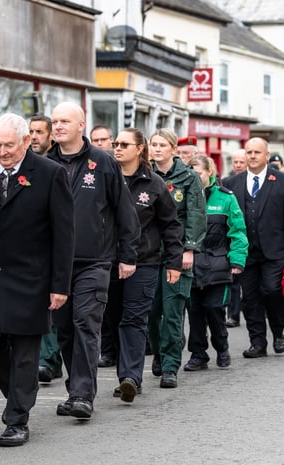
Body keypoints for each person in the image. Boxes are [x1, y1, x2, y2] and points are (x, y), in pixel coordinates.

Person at [0, 113, 74, 446]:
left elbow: (64, 235)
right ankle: (21, 391)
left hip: (31, 279)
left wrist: (59, 286)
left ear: (26, 141)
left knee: (25, 350)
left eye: (9, 145)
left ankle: (17, 419)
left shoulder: (51, 174)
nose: (2, 152)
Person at [48, 102, 140, 420]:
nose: (57, 126)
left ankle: (83, 394)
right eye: (54, 121)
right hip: (56, 264)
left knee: (86, 323)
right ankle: (76, 387)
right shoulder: (44, 163)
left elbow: (124, 210)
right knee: (64, 330)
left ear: (81, 125)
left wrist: (127, 255)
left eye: (64, 121)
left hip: (95, 260)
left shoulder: (102, 162)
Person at [106, 127, 183, 401]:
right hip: (108, 262)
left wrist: (174, 262)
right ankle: (124, 373)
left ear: (140, 149)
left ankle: (131, 377)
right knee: (113, 320)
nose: (117, 148)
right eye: (115, 143)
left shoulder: (154, 184)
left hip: (144, 263)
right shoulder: (106, 179)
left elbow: (171, 227)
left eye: (124, 144)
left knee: (134, 319)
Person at [222, 137, 284, 358]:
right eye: (249, 152)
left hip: (275, 251)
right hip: (245, 252)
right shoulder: (231, 183)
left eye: (257, 152)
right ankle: (257, 342)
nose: (252, 156)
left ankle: (278, 332)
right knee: (250, 298)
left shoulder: (283, 181)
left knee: (272, 290)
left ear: (267, 155)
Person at [147, 128, 207, 387]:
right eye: (154, 144)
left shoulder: (188, 177)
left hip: (177, 252)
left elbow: (195, 213)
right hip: (148, 251)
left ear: (173, 149)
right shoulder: (145, 175)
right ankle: (158, 351)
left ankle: (170, 364)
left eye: (162, 145)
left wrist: (190, 249)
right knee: (150, 311)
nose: (157, 149)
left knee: (172, 312)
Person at [184, 154, 247, 371]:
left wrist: (237, 260)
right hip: (190, 264)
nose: (193, 176)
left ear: (209, 171)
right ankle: (198, 354)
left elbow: (238, 231)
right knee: (195, 314)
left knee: (214, 309)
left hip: (218, 264)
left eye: (198, 172)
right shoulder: (184, 196)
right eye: (190, 172)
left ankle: (222, 347)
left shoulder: (226, 198)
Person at [27, 114, 64, 383]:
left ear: (51, 135)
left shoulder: (57, 165)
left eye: (40, 131)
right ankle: (47, 360)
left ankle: (54, 358)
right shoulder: (27, 164)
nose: (35, 136)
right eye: (31, 131)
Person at [225, 148, 247, 327]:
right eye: (236, 162)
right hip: (233, 235)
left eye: (242, 162)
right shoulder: (227, 182)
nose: (238, 165)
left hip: (250, 235)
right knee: (233, 280)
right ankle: (233, 314)